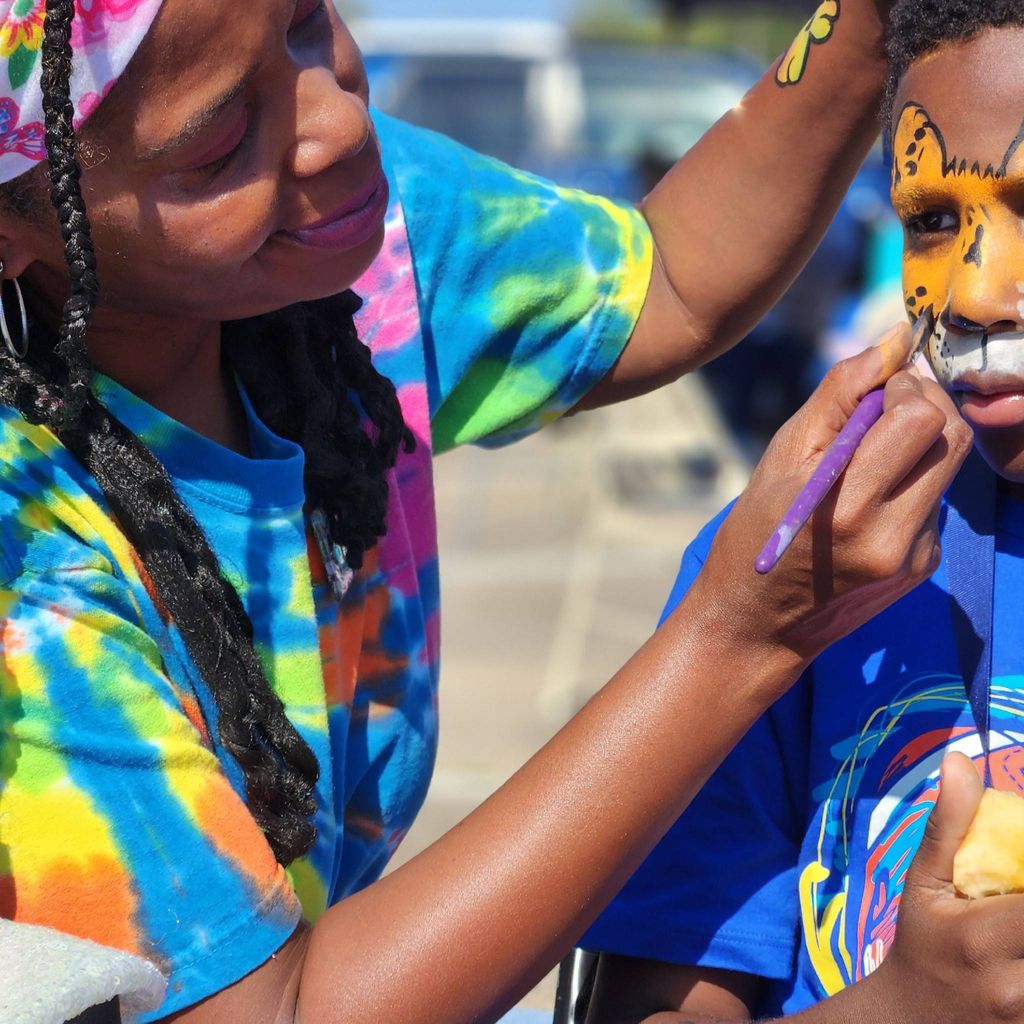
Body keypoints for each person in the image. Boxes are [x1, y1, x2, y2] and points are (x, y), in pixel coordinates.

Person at [0, 1, 964, 1022]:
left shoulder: (356, 243)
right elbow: (276, 1011)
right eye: (223, 145)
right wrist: (737, 634)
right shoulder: (28, 573)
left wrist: (873, 20)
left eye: (301, 24)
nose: (335, 123)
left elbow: (670, 277)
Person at [582, 4, 1024, 1023]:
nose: (977, 293)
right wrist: (906, 1007)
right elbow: (650, 996)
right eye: (933, 219)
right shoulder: (799, 567)